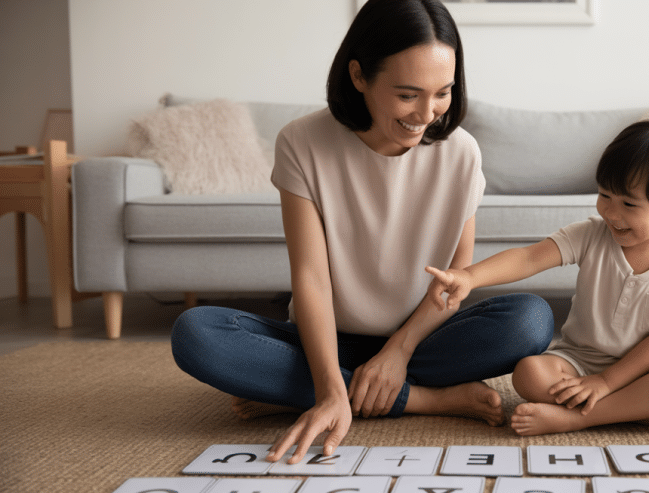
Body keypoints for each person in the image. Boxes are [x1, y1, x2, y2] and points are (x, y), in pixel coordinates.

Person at [170, 0, 554, 465]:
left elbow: (454, 280)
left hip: (420, 340)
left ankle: (298, 392)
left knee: (531, 320)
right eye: (408, 94)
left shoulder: (462, 153)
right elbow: (310, 278)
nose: (426, 113)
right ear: (359, 76)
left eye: (442, 92)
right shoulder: (302, 143)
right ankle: (424, 399)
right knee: (196, 334)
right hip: (326, 338)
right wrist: (330, 383)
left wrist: (398, 350)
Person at [426, 120, 649, 437]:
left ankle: (579, 418)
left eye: (629, 204)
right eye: (605, 195)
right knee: (528, 374)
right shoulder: (592, 234)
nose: (611, 213)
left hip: (645, 369)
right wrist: (469, 277)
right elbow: (529, 258)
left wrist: (606, 383)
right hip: (579, 362)